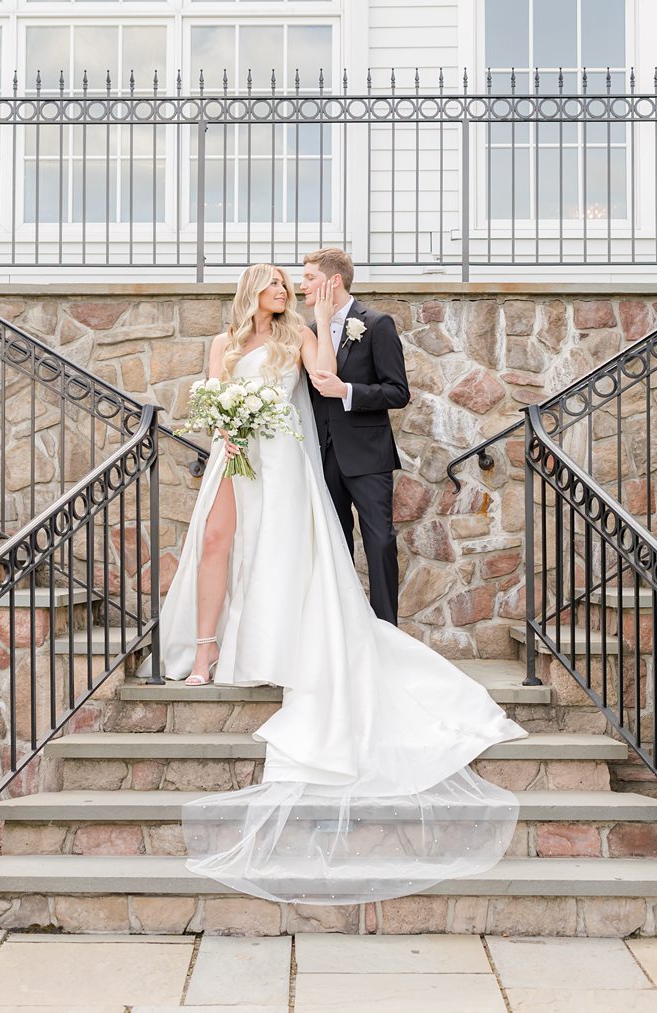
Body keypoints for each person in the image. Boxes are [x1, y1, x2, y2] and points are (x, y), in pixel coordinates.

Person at [149, 263, 525, 904]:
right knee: (214, 543)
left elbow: (325, 379)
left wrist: (321, 319)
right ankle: (205, 649)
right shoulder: (224, 343)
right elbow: (211, 399)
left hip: (284, 457)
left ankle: (280, 645)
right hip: (236, 452)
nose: (283, 291)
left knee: (282, 551)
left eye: (286, 284)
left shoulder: (299, 330)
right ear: (249, 291)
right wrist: (226, 426)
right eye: (272, 284)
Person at [299, 248, 410, 625]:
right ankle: (346, 630)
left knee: (379, 541)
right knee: (335, 544)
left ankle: (386, 629)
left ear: (333, 281)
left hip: (367, 455)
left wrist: (347, 391)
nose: (302, 287)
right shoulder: (310, 332)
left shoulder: (376, 324)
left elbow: (398, 391)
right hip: (323, 454)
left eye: (309, 278)